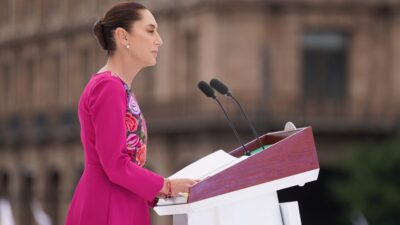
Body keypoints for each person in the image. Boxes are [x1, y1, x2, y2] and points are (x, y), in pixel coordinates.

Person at [65, 2, 198, 225]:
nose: (159, 40)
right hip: (108, 206)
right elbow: (115, 164)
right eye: (150, 30)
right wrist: (167, 186)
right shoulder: (108, 87)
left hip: (120, 199)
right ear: (123, 36)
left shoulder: (116, 86)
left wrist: (163, 189)